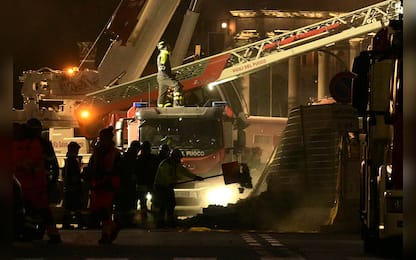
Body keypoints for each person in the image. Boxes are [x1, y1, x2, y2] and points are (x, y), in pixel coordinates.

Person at [13, 121, 61, 243]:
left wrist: (53, 180)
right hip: (26, 183)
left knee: (39, 209)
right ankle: (33, 232)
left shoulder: (38, 144)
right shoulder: (31, 143)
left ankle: (42, 233)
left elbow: (46, 163)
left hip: (35, 183)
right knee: (33, 209)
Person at [84, 126, 122, 244]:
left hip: (107, 184)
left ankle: (107, 233)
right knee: (99, 210)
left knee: (104, 210)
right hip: (98, 184)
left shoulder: (114, 153)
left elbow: (118, 170)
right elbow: (92, 166)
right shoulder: (99, 152)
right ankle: (111, 228)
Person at [153, 148, 203, 228]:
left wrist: (195, 177)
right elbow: (166, 177)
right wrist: (174, 181)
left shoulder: (175, 164)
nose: (179, 160)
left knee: (171, 204)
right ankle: (160, 223)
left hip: (168, 187)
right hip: (161, 187)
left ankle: (169, 221)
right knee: (163, 205)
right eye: (178, 158)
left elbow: (184, 171)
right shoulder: (165, 165)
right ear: (174, 157)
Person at [114, 140, 140, 227]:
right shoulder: (132, 158)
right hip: (128, 186)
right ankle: (129, 221)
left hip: (122, 185)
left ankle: (121, 221)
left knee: (122, 205)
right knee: (129, 204)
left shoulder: (124, 156)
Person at [62, 141, 84, 229]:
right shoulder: (72, 161)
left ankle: (66, 223)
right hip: (73, 187)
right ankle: (79, 223)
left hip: (69, 187)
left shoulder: (68, 161)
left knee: (69, 206)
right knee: (76, 206)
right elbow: (74, 175)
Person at [135, 141, 159, 223]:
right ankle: (156, 219)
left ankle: (144, 219)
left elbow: (136, 172)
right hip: (151, 183)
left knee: (143, 202)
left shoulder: (138, 159)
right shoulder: (154, 158)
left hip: (143, 183)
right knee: (153, 201)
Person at [156, 40, 184, 107]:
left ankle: (160, 107)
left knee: (162, 94)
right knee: (177, 85)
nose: (169, 47)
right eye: (168, 45)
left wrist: (173, 74)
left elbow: (164, 68)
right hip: (164, 77)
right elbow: (162, 66)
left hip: (160, 77)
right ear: (165, 46)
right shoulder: (164, 54)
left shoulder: (160, 54)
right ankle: (177, 104)